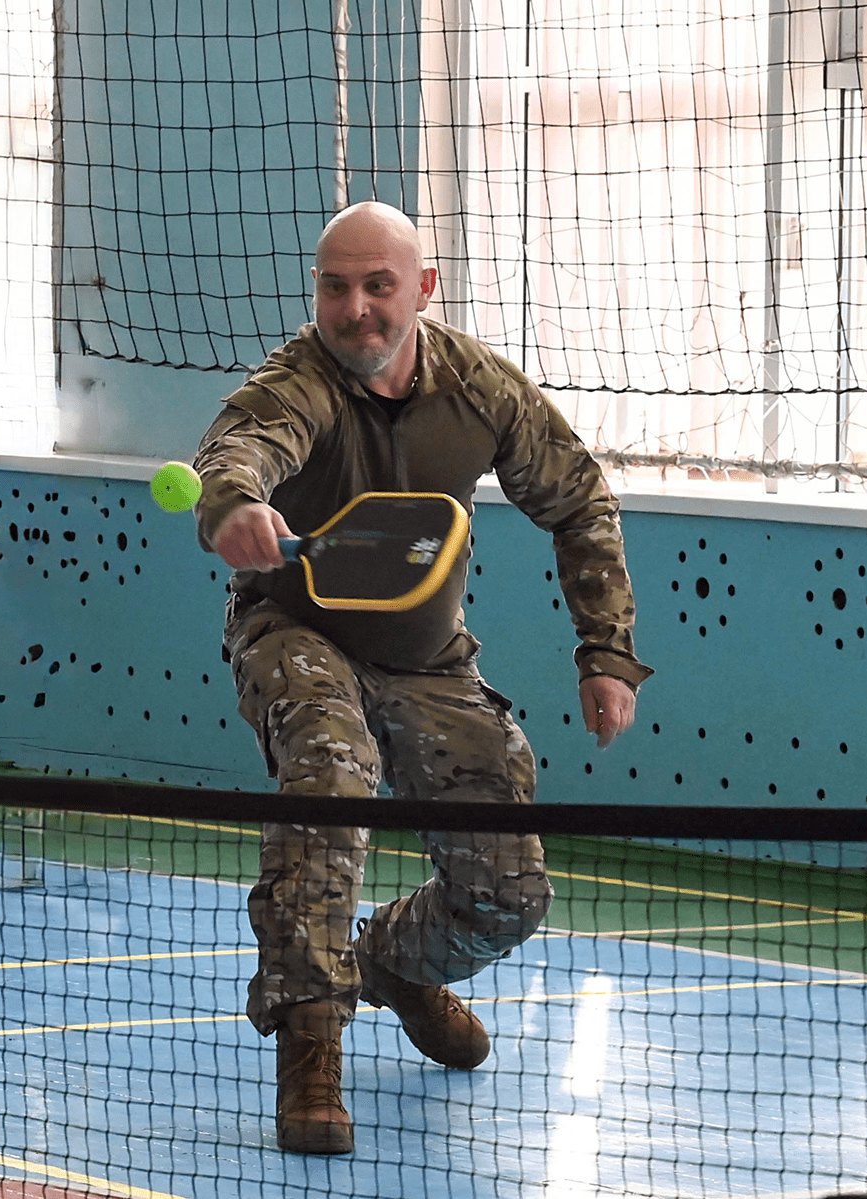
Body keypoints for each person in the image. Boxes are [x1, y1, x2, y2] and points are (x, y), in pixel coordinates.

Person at [191, 201, 652, 1155]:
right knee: (330, 774)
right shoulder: (297, 382)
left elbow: (580, 500)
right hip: (298, 630)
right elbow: (239, 450)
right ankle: (312, 1045)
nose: (354, 308)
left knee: (511, 888)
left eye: (377, 286)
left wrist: (604, 649)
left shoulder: (479, 390)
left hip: (429, 656)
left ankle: (396, 963)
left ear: (423, 290)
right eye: (335, 287)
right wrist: (233, 505)